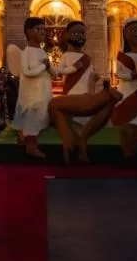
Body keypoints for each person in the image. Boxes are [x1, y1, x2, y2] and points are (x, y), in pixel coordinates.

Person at [48, 21, 120, 164]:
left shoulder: (87, 58)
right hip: (71, 96)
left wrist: (94, 80)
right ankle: (78, 144)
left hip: (86, 96)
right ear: (67, 35)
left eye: (82, 33)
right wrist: (74, 68)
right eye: (75, 33)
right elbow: (58, 72)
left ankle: (75, 144)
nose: (79, 36)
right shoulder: (66, 56)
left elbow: (90, 79)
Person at [8, 17, 55, 159]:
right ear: (28, 31)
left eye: (43, 29)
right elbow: (28, 72)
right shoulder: (27, 52)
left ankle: (25, 139)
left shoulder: (41, 51)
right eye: (38, 29)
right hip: (32, 94)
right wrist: (43, 66)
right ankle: (31, 147)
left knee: (40, 119)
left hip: (43, 92)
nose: (42, 32)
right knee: (33, 121)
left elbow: (50, 69)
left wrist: (62, 70)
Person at [110, 18, 137, 161]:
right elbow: (118, 72)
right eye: (132, 30)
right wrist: (130, 76)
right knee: (126, 125)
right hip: (126, 92)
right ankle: (127, 152)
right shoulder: (121, 54)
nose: (136, 34)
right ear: (125, 34)